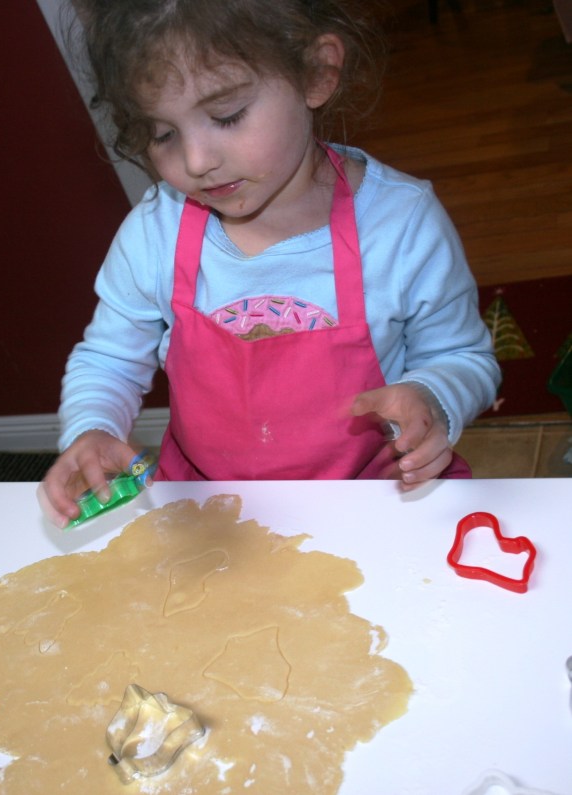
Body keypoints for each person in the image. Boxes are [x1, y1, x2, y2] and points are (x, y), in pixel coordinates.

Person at [40, 0, 500, 528]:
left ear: (317, 72)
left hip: (376, 502)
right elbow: (109, 360)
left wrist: (432, 398)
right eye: (163, 133)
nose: (196, 161)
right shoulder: (155, 232)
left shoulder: (401, 225)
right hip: (212, 510)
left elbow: (465, 357)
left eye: (226, 115)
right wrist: (93, 428)